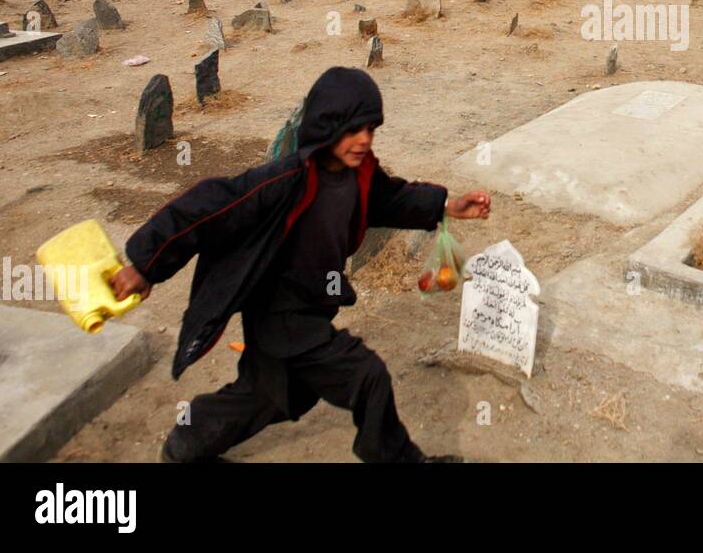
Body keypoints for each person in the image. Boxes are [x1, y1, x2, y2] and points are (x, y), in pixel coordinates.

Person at [111, 67, 491, 464]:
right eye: (352, 129)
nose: (363, 140)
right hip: (280, 309)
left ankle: (185, 445)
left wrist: (447, 205)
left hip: (311, 302)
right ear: (326, 126)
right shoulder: (284, 180)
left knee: (273, 394)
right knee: (366, 376)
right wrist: (145, 264)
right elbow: (204, 207)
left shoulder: (358, 174)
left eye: (370, 129)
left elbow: (390, 198)